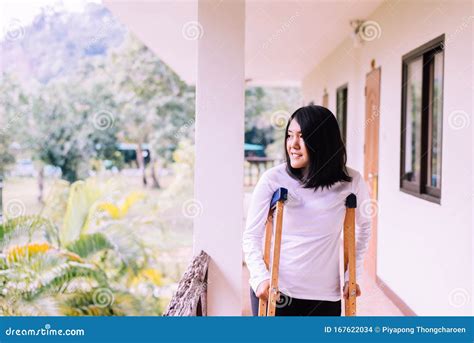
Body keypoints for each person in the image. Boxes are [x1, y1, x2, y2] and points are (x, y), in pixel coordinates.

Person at [243, 105, 372, 316]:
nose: (293, 144)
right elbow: (251, 235)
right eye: (289, 135)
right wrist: (259, 277)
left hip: (324, 296)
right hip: (277, 291)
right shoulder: (272, 179)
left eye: (302, 137)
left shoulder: (351, 181)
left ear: (323, 142)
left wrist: (352, 276)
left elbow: (364, 227)